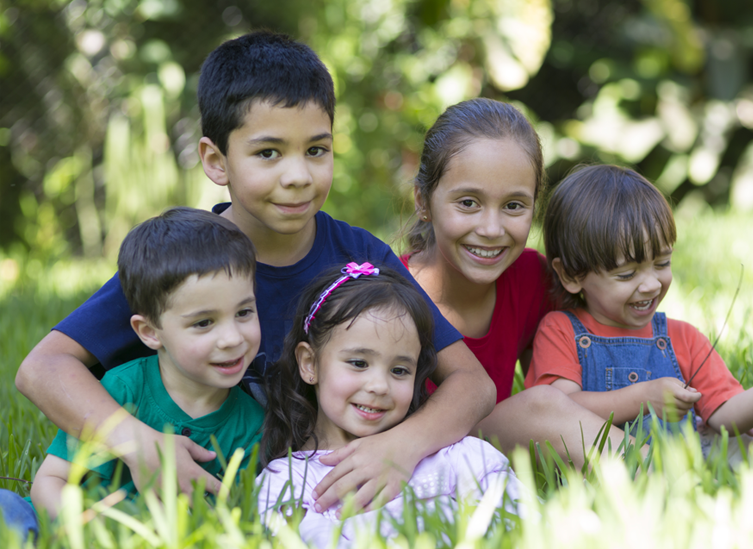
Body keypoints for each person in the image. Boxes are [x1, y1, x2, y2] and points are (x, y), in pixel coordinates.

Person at [15, 31, 494, 513]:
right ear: (216, 161)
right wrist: (136, 442)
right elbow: (43, 368)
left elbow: (472, 384)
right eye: (268, 153)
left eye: (316, 150)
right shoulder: (185, 261)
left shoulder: (359, 259)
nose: (298, 176)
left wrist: (402, 446)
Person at [401, 98, 637, 464]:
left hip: (488, 449)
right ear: (423, 201)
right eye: (468, 203)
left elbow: (586, 382)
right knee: (540, 408)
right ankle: (674, 476)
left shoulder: (531, 278)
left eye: (513, 206)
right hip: (408, 453)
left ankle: (683, 459)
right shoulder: (388, 295)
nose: (492, 229)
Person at [526, 164, 753, 440]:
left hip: (679, 466)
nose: (652, 284)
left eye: (662, 263)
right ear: (571, 275)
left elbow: (725, 414)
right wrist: (644, 397)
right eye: (627, 273)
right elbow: (558, 412)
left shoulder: (683, 339)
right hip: (600, 470)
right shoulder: (560, 331)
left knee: (744, 441)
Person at [28, 207, 265, 522]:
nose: (232, 338)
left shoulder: (253, 425)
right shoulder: (121, 390)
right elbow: (51, 481)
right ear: (150, 332)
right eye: (204, 322)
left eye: (244, 313)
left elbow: (236, 516)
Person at [257, 263, 520, 548]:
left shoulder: (458, 456)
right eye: (359, 363)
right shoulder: (289, 482)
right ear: (310, 363)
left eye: (399, 370)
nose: (380, 386)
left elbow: (524, 524)